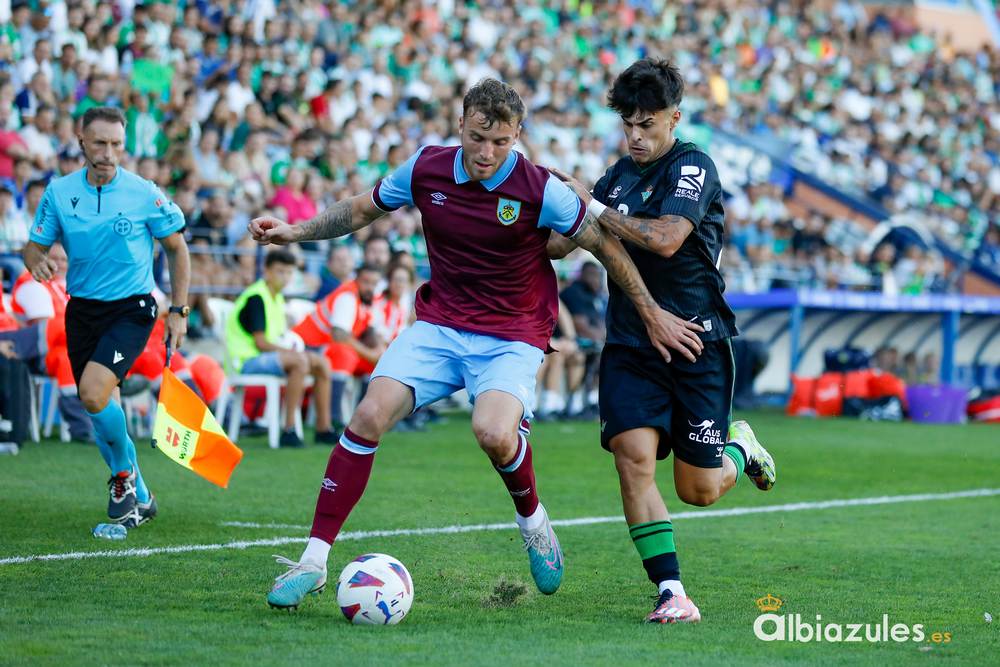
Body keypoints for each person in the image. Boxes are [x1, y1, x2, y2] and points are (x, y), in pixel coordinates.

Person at [251, 77, 704, 610]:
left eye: (501, 142)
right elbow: (358, 211)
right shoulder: (426, 167)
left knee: (492, 432)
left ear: (518, 136)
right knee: (367, 416)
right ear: (460, 124)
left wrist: (651, 313)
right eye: (476, 138)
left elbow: (603, 246)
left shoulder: (542, 188)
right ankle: (313, 559)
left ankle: (533, 520)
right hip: (441, 323)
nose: (487, 153)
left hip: (512, 333)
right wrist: (293, 232)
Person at [548, 59, 776, 624]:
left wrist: (593, 206)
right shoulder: (616, 176)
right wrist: (533, 201)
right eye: (628, 125)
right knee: (632, 460)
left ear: (673, 118)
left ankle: (738, 445)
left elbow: (669, 239)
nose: (635, 136)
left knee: (698, 489)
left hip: (696, 341)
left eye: (647, 125)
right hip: (630, 343)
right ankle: (671, 590)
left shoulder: (693, 167)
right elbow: (559, 245)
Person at [21, 106, 191, 528]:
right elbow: (33, 246)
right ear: (81, 142)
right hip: (82, 311)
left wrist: (178, 310)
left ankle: (122, 476)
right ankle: (143, 496)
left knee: (94, 394)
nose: (109, 152)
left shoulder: (143, 192)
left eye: (117, 144)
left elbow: (177, 248)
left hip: (132, 308)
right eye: (99, 143)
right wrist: (35, 262)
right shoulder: (59, 193)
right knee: (101, 408)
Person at [225, 248, 337, 448]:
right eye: (279, 271)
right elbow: (261, 343)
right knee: (300, 360)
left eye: (288, 272)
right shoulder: (256, 297)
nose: (284, 277)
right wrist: (293, 353)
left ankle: (323, 428)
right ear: (266, 271)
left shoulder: (276, 297)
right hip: (245, 361)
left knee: (323, 363)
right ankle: (289, 430)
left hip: (265, 357)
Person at [11, 242, 92, 441]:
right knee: (68, 356)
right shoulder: (32, 283)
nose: (59, 265)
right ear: (41, 258)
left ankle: (93, 426)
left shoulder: (64, 285)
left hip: (67, 348)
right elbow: (46, 329)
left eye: (64, 260)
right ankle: (81, 429)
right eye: (54, 259)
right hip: (36, 353)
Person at [291, 263, 385, 433]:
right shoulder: (348, 296)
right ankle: (333, 418)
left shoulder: (370, 298)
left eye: (374, 283)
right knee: (345, 355)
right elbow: (339, 336)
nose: (369, 287)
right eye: (366, 282)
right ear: (356, 280)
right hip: (309, 346)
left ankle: (366, 418)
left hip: (325, 349)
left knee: (379, 364)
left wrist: (379, 350)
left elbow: (371, 331)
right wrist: (371, 354)